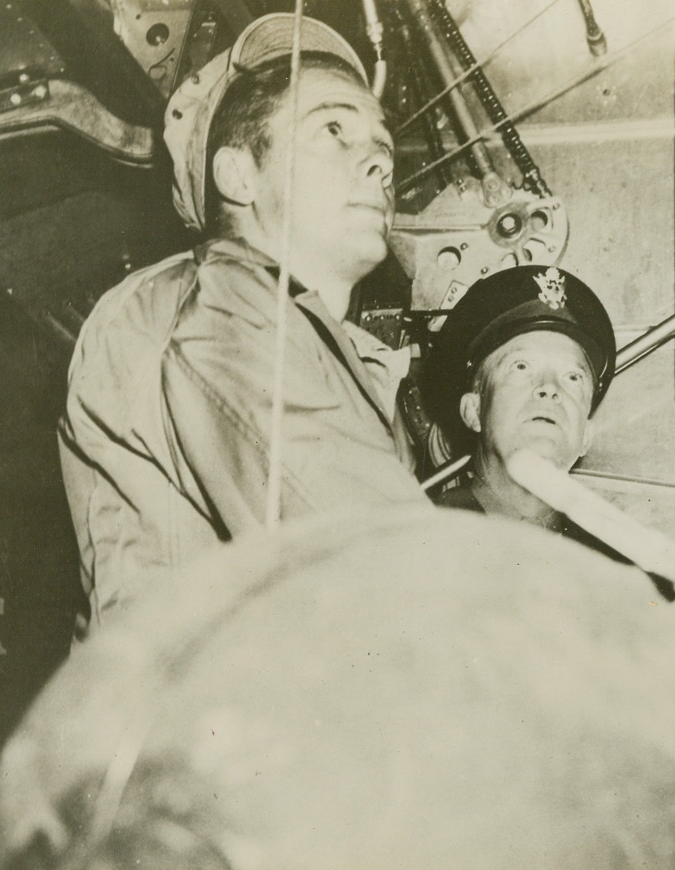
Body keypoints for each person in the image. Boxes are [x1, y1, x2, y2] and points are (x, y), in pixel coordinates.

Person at [58, 14, 429, 632]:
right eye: (334, 129)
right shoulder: (217, 298)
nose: (379, 163)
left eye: (383, 143)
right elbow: (390, 575)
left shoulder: (321, 340)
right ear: (238, 176)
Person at [424, 264, 617, 549]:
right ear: (474, 411)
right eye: (522, 366)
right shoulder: (417, 541)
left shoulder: (618, 569)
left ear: (586, 435)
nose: (550, 388)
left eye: (572, 377)